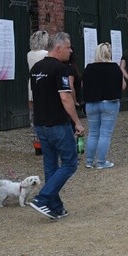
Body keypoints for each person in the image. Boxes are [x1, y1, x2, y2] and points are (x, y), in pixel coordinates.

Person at [28, 32, 85, 219]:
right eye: (68, 47)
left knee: (50, 165)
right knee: (70, 163)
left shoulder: (36, 67)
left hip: (41, 123)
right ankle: (43, 198)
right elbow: (65, 97)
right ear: (58, 48)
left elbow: (33, 96)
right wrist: (77, 122)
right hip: (58, 123)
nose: (71, 51)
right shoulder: (60, 69)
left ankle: (56, 207)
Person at [83, 43, 125, 169]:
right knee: (105, 133)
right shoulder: (115, 68)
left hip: (91, 103)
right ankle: (101, 162)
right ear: (109, 53)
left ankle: (89, 161)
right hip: (109, 103)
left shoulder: (88, 68)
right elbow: (122, 86)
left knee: (93, 133)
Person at [28, 30, 49, 136]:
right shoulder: (45, 54)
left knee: (33, 110)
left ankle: (35, 132)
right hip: (43, 81)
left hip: (31, 82)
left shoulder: (29, 54)